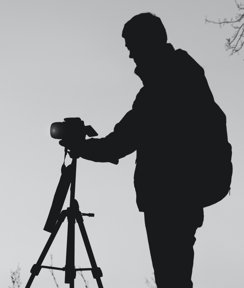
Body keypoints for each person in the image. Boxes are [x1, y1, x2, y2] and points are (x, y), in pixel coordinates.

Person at [60, 12, 231, 288]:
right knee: (175, 279)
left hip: (170, 196)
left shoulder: (165, 85)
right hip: (182, 195)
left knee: (172, 280)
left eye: (132, 47)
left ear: (147, 43)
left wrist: (82, 148)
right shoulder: (182, 73)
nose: (130, 57)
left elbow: (122, 141)